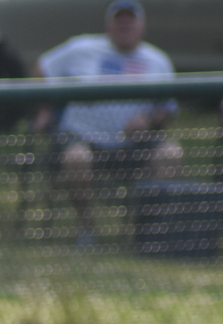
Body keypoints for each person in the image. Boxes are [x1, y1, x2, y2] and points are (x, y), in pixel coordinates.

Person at [32, 0, 182, 247]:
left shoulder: (158, 61)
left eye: (130, 19)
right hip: (83, 138)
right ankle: (87, 227)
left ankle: (147, 229)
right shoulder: (81, 48)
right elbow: (42, 68)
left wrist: (150, 120)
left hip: (133, 146)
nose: (125, 24)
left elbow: (168, 108)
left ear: (142, 26)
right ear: (108, 25)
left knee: (171, 153)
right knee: (76, 158)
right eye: (119, 19)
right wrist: (45, 110)